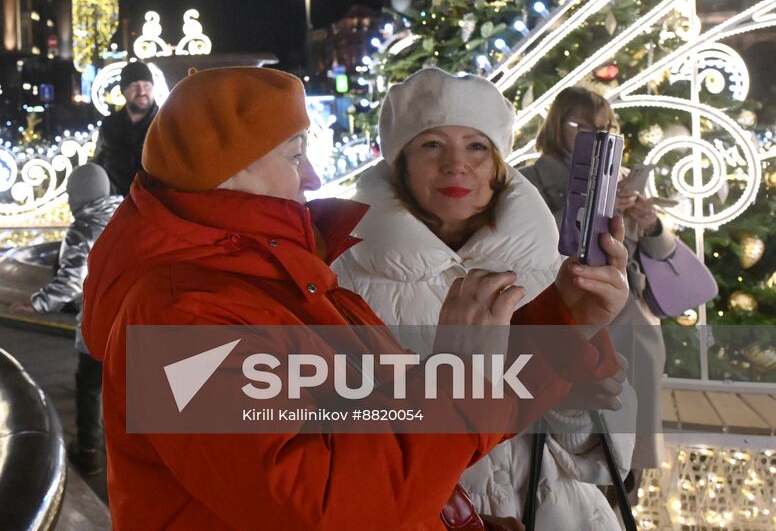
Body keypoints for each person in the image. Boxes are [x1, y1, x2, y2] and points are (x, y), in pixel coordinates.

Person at [80, 65, 630, 531]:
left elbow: (391, 419)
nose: (313, 176)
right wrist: (462, 373)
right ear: (229, 168)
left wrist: (562, 321)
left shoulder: (285, 279)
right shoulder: (180, 316)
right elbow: (325, 504)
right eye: (295, 155)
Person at [335, 67, 634, 529]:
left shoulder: (550, 267)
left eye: (477, 146)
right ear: (399, 163)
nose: (456, 165)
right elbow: (350, 443)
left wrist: (577, 369)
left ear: (498, 165)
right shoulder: (344, 278)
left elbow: (599, 455)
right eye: (431, 144)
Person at [521, 85, 675, 492]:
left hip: (630, 318)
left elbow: (654, 250)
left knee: (626, 422)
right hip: (564, 311)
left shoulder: (619, 180)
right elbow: (533, 241)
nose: (595, 135)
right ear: (558, 126)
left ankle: (625, 486)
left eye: (605, 127)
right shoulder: (530, 180)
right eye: (583, 126)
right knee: (571, 434)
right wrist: (590, 207)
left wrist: (648, 221)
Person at [10, 162, 122, 477]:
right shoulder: (127, 215)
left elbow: (72, 281)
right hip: (133, 319)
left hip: (100, 323)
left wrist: (36, 304)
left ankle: (89, 452)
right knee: (125, 387)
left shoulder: (84, 227)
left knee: (89, 386)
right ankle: (127, 454)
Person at [92, 60, 157, 195]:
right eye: (134, 85)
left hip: (155, 206)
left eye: (146, 85)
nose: (141, 91)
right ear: (123, 90)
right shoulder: (109, 125)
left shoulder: (165, 123)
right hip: (117, 207)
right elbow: (98, 161)